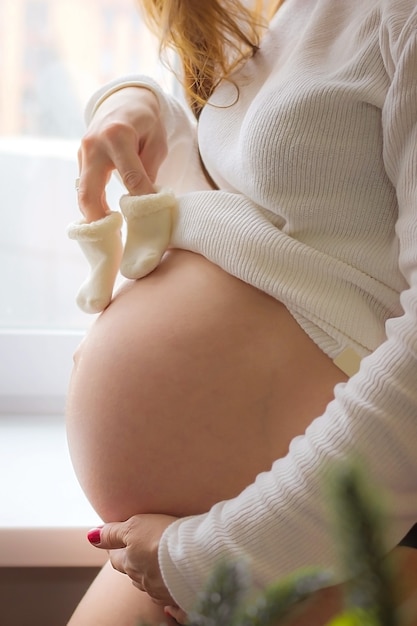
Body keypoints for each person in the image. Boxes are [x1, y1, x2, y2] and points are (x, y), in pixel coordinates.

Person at [65, 0, 417, 624]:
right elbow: (243, 180)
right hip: (181, 554)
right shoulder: (248, 11)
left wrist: (222, 556)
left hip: (320, 548)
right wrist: (137, 101)